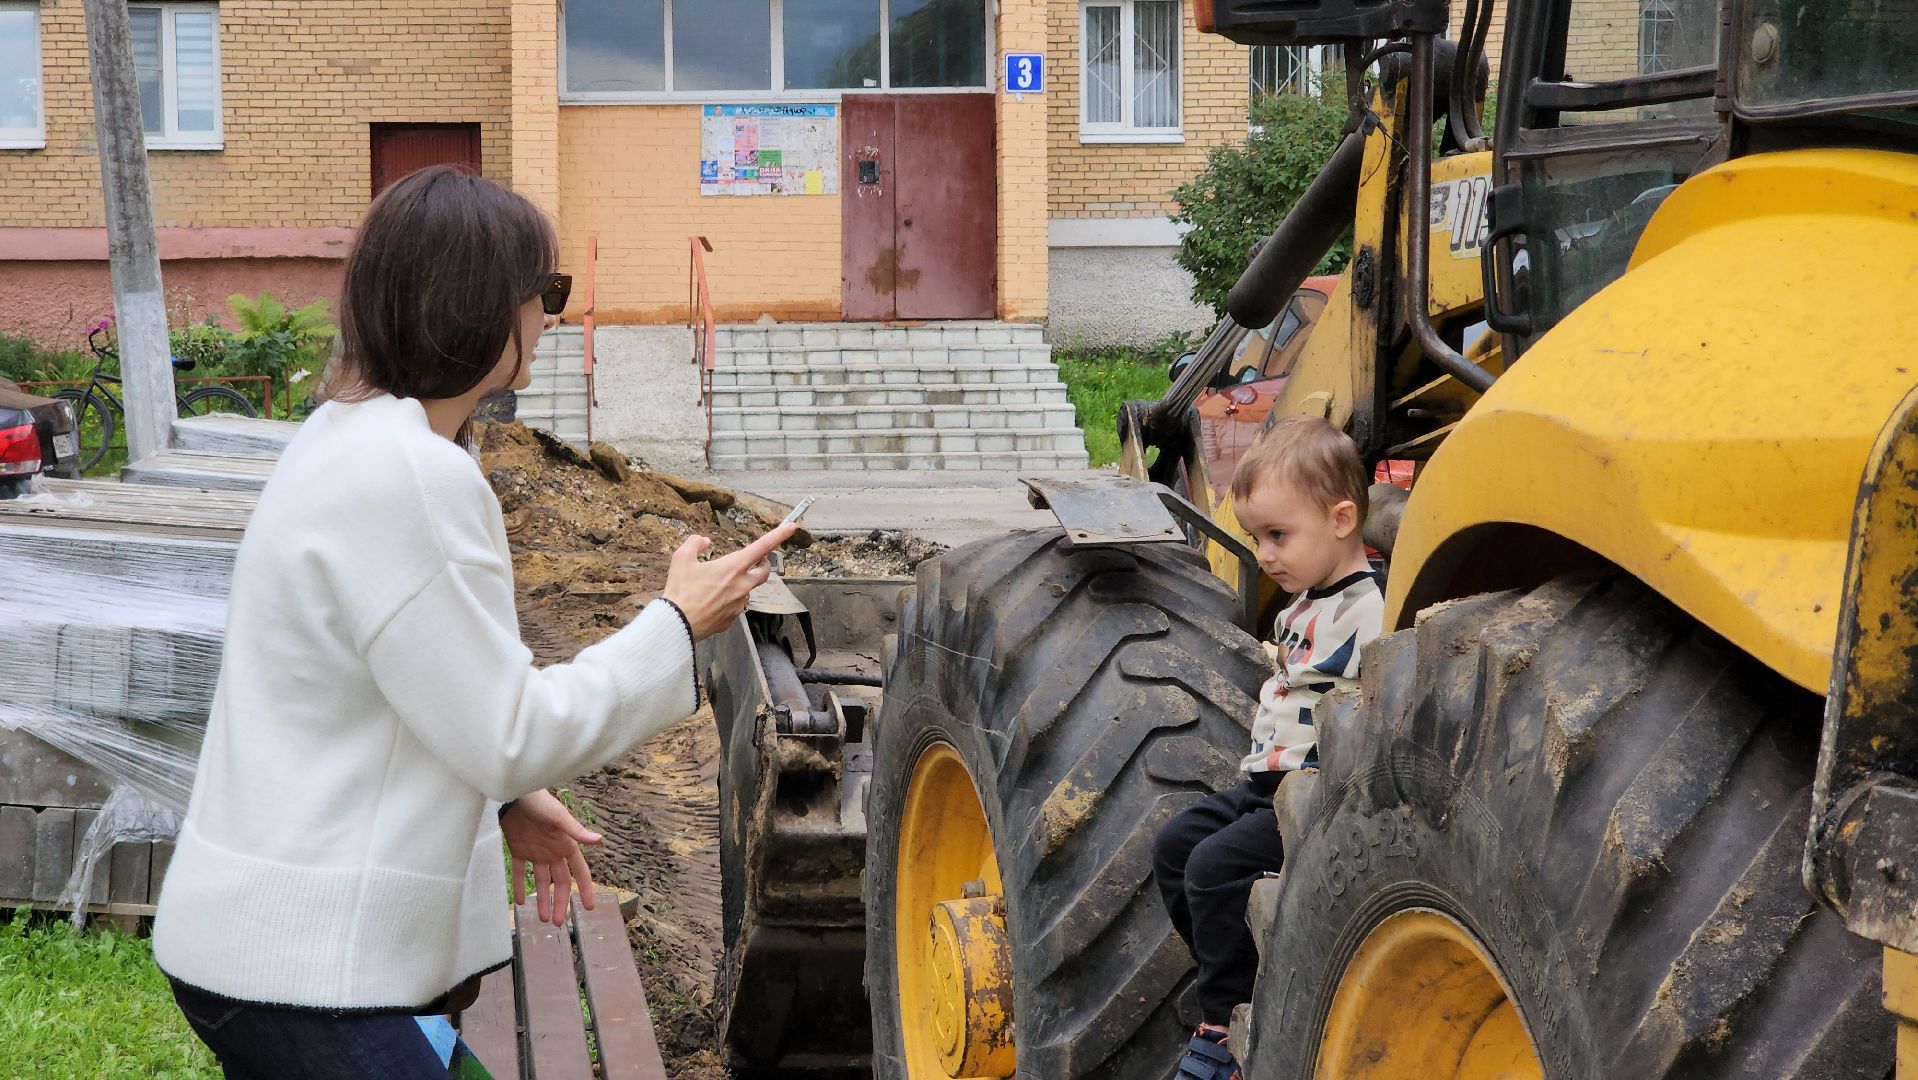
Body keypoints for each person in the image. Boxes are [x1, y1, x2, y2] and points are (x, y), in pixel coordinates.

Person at [151, 165, 797, 1079]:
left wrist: (501, 800)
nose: (553, 317)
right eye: (548, 294)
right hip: (311, 971)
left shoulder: (347, 436)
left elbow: (385, 681)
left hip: (268, 944)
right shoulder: (414, 475)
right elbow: (511, 730)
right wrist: (677, 621)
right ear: (477, 307)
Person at [1150, 415, 1385, 1080]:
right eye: (1257, 538)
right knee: (1175, 848)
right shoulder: (1303, 603)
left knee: (1212, 867)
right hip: (1266, 783)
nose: (1265, 554)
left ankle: (1224, 1028)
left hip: (1315, 789)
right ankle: (1245, 978)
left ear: (1342, 519)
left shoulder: (1369, 610)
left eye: (1279, 536)